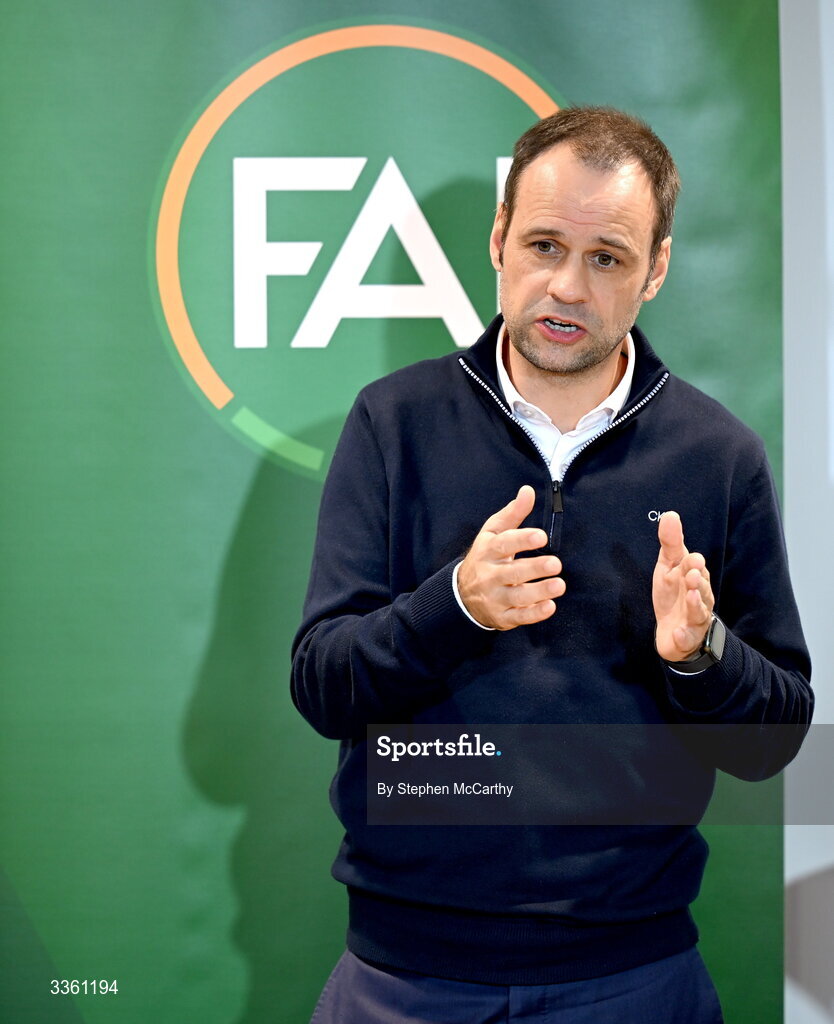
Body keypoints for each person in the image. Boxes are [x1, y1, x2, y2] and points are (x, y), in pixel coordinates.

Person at [291, 107, 812, 1023]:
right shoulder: (393, 424)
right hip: (406, 975)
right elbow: (322, 685)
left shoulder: (719, 457)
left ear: (655, 269)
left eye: (607, 257)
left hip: (635, 973)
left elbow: (774, 736)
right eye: (542, 245)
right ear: (498, 240)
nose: (566, 286)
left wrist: (701, 656)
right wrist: (454, 606)